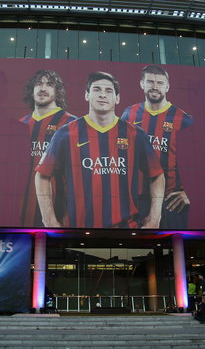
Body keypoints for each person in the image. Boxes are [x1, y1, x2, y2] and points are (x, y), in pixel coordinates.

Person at [36, 71, 165, 228]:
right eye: (96, 89)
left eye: (108, 91)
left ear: (117, 98)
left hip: (127, 229)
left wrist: (155, 217)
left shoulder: (135, 134)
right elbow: (42, 175)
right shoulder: (66, 133)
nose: (102, 95)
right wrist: (49, 220)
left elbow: (157, 175)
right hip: (76, 229)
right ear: (87, 95)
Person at [121, 64, 194, 228]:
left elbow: (202, 162)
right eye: (150, 82)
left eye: (160, 83)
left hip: (171, 201)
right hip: (136, 200)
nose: (155, 87)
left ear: (167, 86)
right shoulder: (129, 114)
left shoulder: (184, 120)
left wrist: (190, 193)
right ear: (142, 84)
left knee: (175, 245)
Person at [19, 70, 77, 227]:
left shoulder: (72, 124)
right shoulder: (19, 125)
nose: (43, 88)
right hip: (20, 213)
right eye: (38, 84)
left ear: (57, 92)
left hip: (59, 213)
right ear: (31, 90)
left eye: (49, 84)